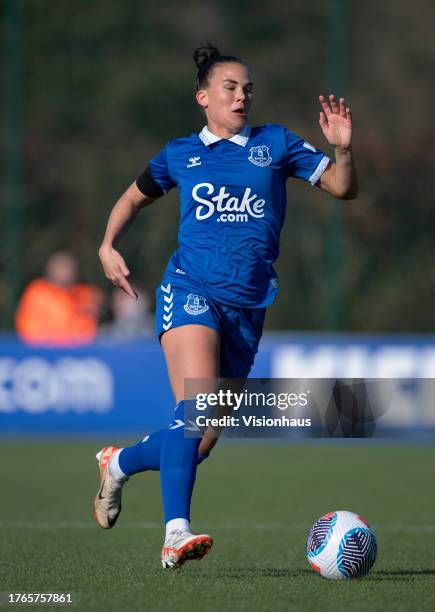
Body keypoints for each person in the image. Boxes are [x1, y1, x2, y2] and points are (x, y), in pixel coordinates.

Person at [95, 44, 358, 569]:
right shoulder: (179, 155)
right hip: (190, 287)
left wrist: (344, 151)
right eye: (230, 88)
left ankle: (119, 461)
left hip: (248, 306)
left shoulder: (276, 143)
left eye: (248, 88)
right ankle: (175, 533)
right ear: (203, 97)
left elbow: (342, 189)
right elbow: (131, 198)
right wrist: (107, 245)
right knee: (195, 410)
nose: (242, 96)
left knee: (201, 440)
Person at [15, 250, 103, 346]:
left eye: (69, 267)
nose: (66, 272)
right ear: (50, 269)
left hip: (78, 350)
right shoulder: (37, 292)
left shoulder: (83, 294)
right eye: (61, 266)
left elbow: (89, 327)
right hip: (44, 350)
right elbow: (28, 327)